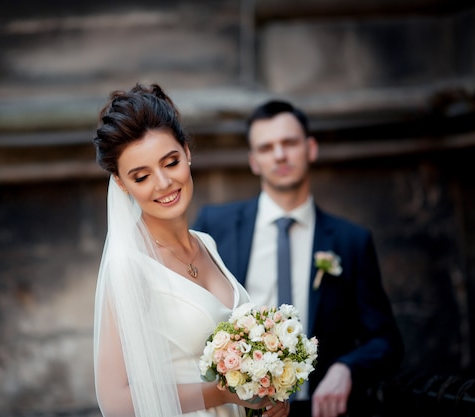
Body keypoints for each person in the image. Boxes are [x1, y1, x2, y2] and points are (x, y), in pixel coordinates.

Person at [193, 100, 404, 417]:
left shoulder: (351, 241)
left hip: (316, 410)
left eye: (289, 143)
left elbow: (386, 341)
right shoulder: (214, 228)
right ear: (253, 161)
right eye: (266, 147)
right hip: (233, 410)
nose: (279, 154)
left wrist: (346, 368)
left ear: (311, 148)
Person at [92, 83, 290, 417]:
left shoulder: (206, 243)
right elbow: (115, 401)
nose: (164, 183)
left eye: (170, 162)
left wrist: (265, 391)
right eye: (141, 177)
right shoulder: (129, 266)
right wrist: (220, 394)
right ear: (122, 184)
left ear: (186, 152)